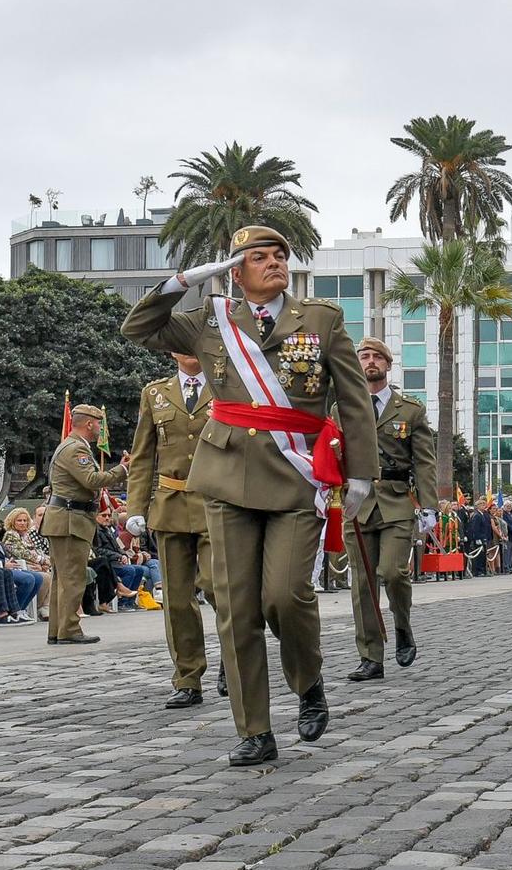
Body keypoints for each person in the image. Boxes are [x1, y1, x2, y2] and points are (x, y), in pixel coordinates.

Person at [122, 224, 376, 767]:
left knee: (284, 597)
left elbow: (353, 400)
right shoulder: (211, 319)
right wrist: (185, 280)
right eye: (259, 257)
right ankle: (254, 729)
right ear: (235, 271)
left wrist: (361, 474)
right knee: (237, 611)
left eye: (279, 255)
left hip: (296, 473)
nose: (274, 263)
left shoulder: (321, 319)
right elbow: (138, 327)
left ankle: (308, 683)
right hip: (226, 475)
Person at [127, 351, 220, 708]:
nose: (189, 351)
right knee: (177, 600)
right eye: (181, 345)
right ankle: (188, 677)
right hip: (171, 504)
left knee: (217, 586)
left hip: (215, 503)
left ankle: (234, 657)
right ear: (171, 352)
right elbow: (142, 456)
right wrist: (136, 507)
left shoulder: (225, 386)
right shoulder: (156, 393)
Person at [347, 336, 438, 681]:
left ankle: (402, 625)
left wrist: (429, 506)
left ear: (387, 365)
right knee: (362, 583)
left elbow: (424, 462)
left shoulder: (410, 410)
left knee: (392, 572)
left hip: (397, 500)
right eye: (364, 356)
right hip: (357, 502)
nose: (370, 362)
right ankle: (371, 657)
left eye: (376, 357)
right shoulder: (345, 408)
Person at [41, 405, 129, 645]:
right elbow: (91, 480)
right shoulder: (76, 448)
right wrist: (123, 470)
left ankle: (59, 630)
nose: (100, 428)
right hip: (70, 519)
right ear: (89, 423)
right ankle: (69, 629)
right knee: (73, 577)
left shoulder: (72, 446)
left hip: (65, 518)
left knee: (63, 577)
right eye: (98, 424)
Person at [1, 507, 52, 621]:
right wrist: (42, 561)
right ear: (12, 522)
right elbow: (21, 553)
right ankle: (36, 607)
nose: (22, 523)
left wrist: (44, 563)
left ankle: (44, 607)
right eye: (19, 520)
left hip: (31, 565)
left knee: (51, 574)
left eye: (25, 520)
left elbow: (37, 551)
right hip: (18, 565)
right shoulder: (11, 535)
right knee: (44, 577)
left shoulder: (27, 535)